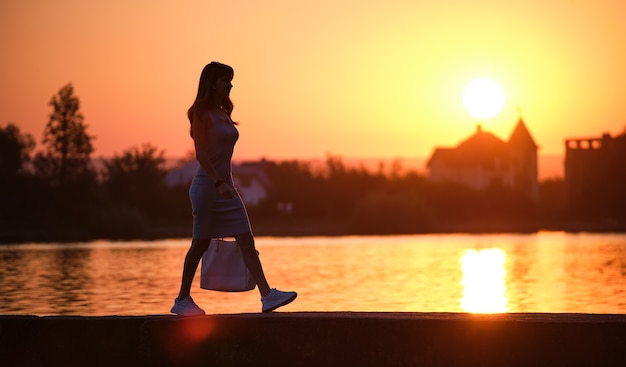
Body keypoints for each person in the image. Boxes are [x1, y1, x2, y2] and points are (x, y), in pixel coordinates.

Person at [171, 62, 297, 315]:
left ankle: (267, 295)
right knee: (200, 244)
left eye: (230, 79)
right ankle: (182, 299)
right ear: (212, 83)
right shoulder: (200, 112)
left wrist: (225, 184)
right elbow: (201, 155)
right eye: (225, 79)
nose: (230, 84)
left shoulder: (223, 112)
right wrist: (218, 183)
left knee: (246, 239)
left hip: (227, 187)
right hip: (208, 187)